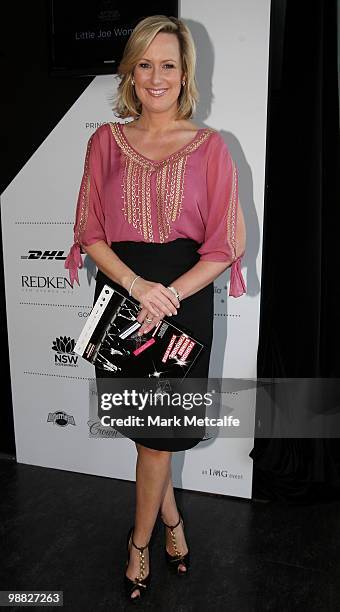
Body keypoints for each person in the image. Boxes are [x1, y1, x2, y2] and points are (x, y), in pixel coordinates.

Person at [64, 14, 246, 602]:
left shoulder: (212, 148)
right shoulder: (102, 143)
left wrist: (168, 294)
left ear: (185, 72)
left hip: (184, 301)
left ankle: (138, 543)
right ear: (131, 72)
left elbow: (225, 246)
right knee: (148, 438)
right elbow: (90, 232)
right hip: (121, 296)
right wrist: (138, 287)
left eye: (168, 64)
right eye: (145, 63)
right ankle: (173, 524)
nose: (156, 76)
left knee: (158, 437)